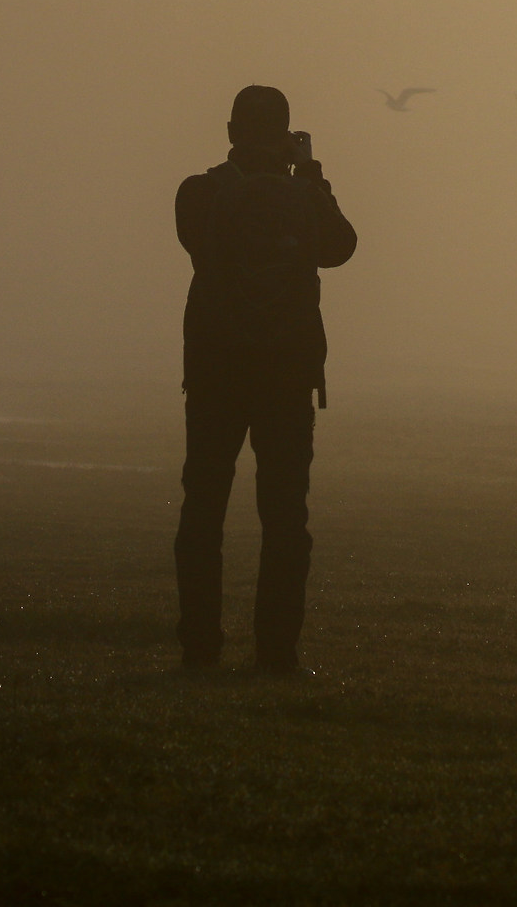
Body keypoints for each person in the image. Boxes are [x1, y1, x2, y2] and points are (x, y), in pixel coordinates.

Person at [172, 84, 358, 675]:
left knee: (203, 512)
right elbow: (341, 247)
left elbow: (197, 247)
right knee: (284, 521)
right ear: (286, 137)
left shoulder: (199, 193)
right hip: (286, 375)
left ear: (231, 131)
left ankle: (200, 650)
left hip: (215, 374)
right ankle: (276, 655)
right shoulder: (304, 197)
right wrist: (310, 174)